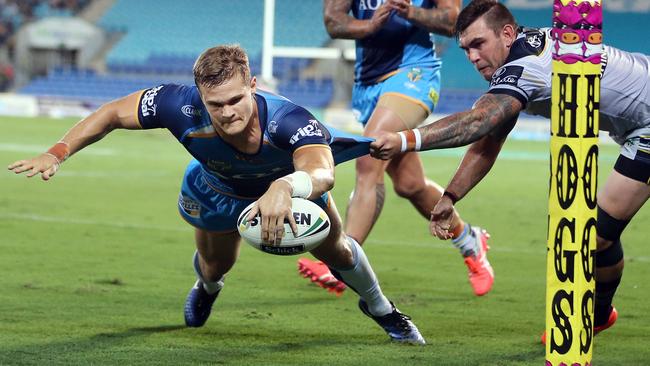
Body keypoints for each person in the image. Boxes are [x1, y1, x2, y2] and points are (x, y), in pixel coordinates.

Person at [8, 45, 426, 344]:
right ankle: (207, 288)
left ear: (254, 86)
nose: (227, 113)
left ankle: (381, 309)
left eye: (236, 99)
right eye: (215, 104)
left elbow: (320, 170)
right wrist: (58, 151)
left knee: (337, 248)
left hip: (289, 191)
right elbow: (111, 112)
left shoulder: (290, 120)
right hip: (215, 187)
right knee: (215, 263)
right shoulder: (177, 104)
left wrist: (284, 185)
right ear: (199, 96)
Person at [371, 0, 650, 342]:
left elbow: (477, 122)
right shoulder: (523, 55)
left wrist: (403, 140)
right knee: (596, 236)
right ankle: (601, 313)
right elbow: (489, 140)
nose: (472, 57)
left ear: (506, 34)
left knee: (591, 238)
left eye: (478, 44)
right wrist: (450, 196)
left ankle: (598, 314)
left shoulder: (524, 66)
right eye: (466, 49)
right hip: (640, 124)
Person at [297, 0, 495, 298]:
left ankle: (343, 260)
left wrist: (411, 12)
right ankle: (469, 240)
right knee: (410, 184)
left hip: (413, 75)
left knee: (368, 161)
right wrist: (369, 25)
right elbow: (333, 21)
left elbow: (453, 20)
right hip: (367, 85)